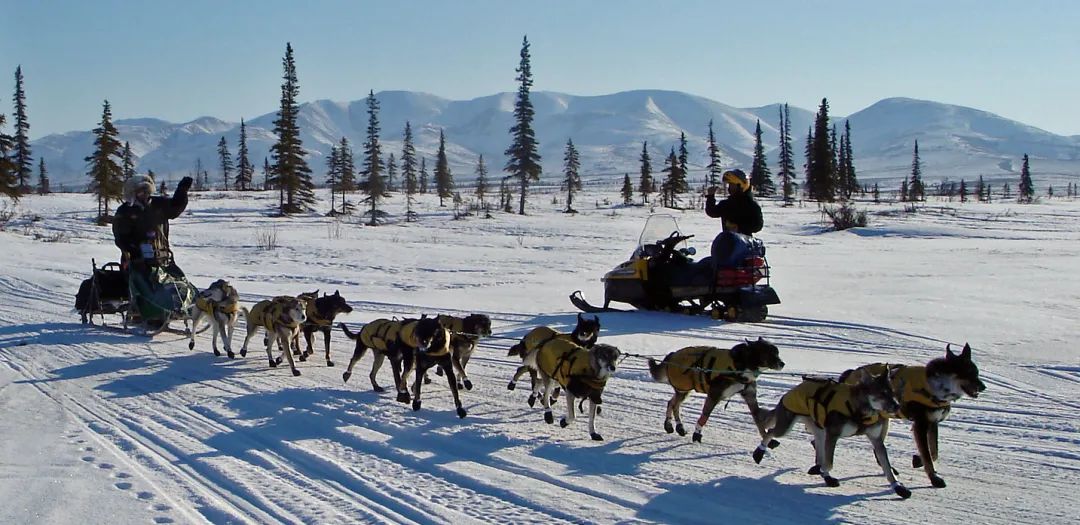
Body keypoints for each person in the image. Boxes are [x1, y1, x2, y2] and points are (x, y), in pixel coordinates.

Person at [113, 174, 193, 276]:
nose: (144, 194)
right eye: (141, 191)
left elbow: (175, 207)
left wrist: (182, 190)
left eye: (147, 190)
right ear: (133, 192)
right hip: (136, 262)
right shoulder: (125, 211)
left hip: (162, 258)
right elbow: (121, 237)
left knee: (176, 284)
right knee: (143, 289)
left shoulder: (158, 204)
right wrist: (135, 250)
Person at [704, 169, 763, 264]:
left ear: (741, 186)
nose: (730, 188)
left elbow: (758, 225)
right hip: (728, 246)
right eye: (729, 185)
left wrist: (739, 227)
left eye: (732, 185)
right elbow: (712, 212)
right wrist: (710, 197)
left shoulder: (751, 206)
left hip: (744, 247)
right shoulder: (727, 204)